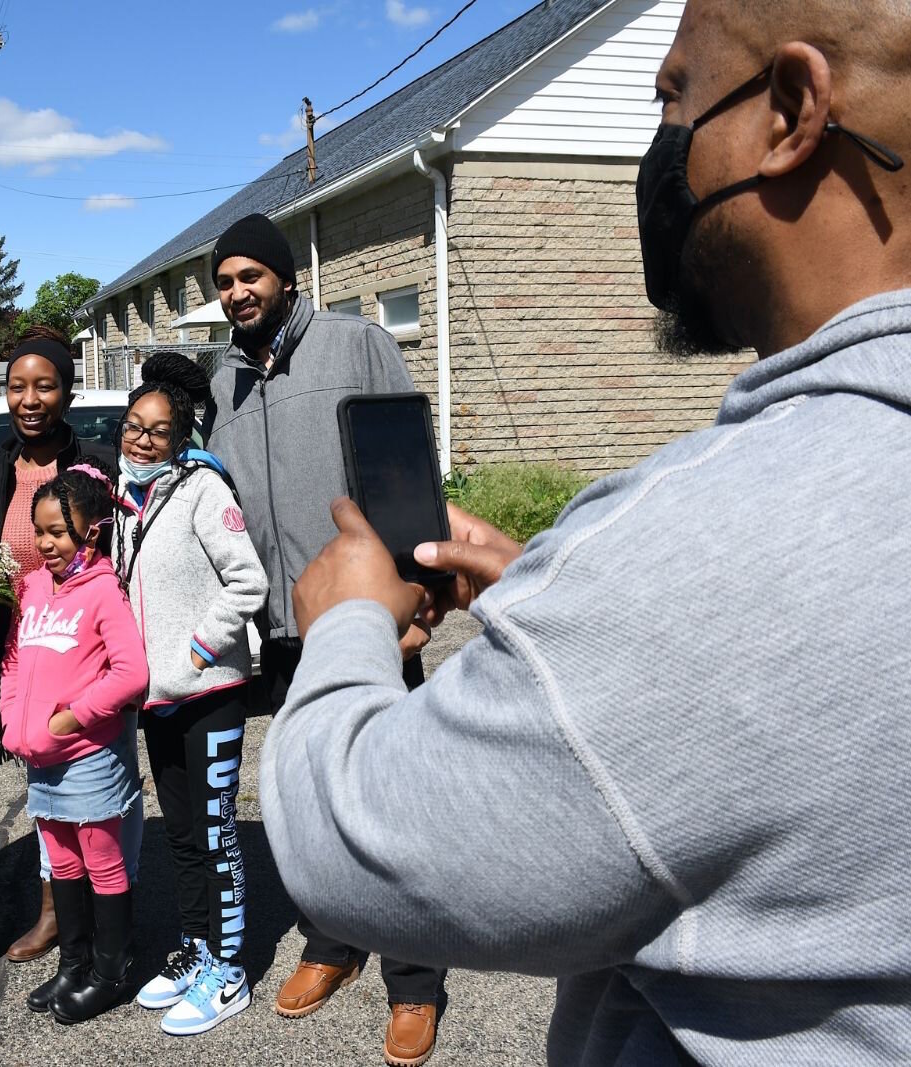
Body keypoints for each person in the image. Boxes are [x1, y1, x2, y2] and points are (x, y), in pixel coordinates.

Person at [262, 2, 911, 1062]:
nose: (656, 151)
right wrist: (579, 615)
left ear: (790, 111)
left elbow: (350, 846)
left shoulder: (690, 550)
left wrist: (342, 626)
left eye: (671, 98)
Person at [203, 212, 447, 1063]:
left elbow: (405, 460)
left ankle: (414, 981)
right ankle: (331, 941)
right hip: (278, 625)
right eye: (224, 281)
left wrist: (420, 586)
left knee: (388, 796)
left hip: (367, 615)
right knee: (304, 795)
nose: (236, 292)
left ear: (282, 278)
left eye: (249, 276)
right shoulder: (224, 378)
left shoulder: (353, 342)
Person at [113, 354, 268, 1036]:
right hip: (158, 698)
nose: (142, 440)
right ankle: (199, 951)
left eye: (158, 430)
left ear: (182, 438)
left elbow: (247, 582)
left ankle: (230, 970)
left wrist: (197, 652)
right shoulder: (123, 498)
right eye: (133, 426)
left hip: (207, 691)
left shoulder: (205, 490)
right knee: (179, 836)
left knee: (214, 833)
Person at [0, 326, 144, 963]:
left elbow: (125, 558)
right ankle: (59, 914)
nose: (28, 398)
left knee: (99, 803)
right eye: (17, 386)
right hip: (27, 652)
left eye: (43, 385)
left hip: (92, 656)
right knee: (49, 802)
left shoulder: (97, 466)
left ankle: (105, 932)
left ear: (66, 392)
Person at [0, 460, 149, 1024]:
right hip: (40, 759)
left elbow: (131, 674)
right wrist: (14, 719)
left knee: (100, 859)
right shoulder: (33, 586)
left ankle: (111, 971)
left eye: (57, 533)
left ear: (92, 530)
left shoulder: (103, 590)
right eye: (39, 532)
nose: (45, 543)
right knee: (60, 860)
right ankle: (74, 962)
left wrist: (74, 718)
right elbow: (13, 663)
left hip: (87, 756)